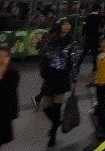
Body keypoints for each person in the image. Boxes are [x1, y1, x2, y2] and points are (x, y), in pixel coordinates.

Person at [38, 18, 78, 147]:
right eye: (64, 24)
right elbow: (41, 49)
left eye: (68, 24)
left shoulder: (71, 41)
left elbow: (73, 61)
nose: (67, 26)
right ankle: (56, 122)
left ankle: (53, 133)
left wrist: (74, 79)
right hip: (50, 75)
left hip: (62, 76)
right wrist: (48, 54)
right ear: (58, 25)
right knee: (45, 106)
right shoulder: (50, 38)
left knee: (57, 106)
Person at [79, 4, 104, 72]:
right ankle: (95, 67)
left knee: (84, 52)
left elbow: (84, 27)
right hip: (95, 37)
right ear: (98, 9)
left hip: (87, 37)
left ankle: (78, 65)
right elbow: (102, 27)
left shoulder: (87, 17)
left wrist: (82, 35)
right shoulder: (100, 17)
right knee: (95, 53)